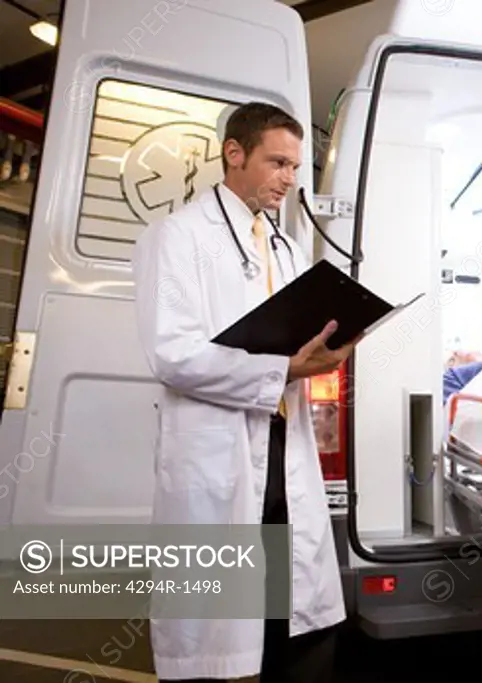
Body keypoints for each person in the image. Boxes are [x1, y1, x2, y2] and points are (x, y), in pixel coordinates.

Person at [133, 102, 356, 682]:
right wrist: (283, 368)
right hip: (220, 447)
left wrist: (331, 345)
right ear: (235, 154)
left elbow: (297, 341)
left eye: (295, 166)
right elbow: (171, 353)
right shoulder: (178, 237)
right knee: (210, 620)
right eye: (277, 162)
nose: (289, 178)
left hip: (285, 443)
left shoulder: (283, 247)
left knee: (289, 603)